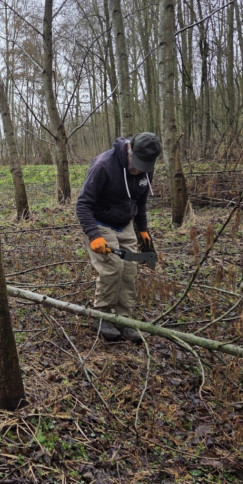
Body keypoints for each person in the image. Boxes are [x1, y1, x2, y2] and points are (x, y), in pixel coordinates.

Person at [75, 132, 162, 343]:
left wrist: (143, 230)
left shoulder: (146, 171)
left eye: (144, 165)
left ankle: (125, 318)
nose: (138, 169)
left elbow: (140, 204)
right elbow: (83, 204)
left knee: (130, 271)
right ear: (129, 150)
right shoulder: (104, 165)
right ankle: (102, 315)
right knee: (113, 267)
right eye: (136, 163)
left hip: (126, 224)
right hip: (100, 222)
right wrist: (93, 235)